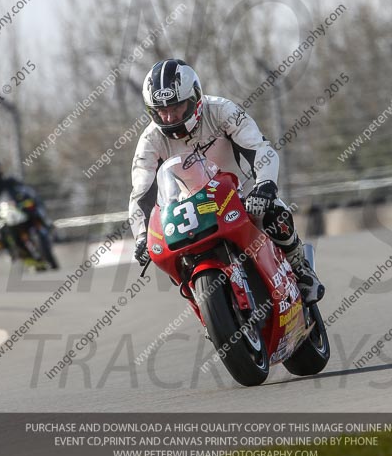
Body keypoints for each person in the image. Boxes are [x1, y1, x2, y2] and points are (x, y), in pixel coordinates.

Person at [128, 59, 324, 304]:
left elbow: (258, 147)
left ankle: (300, 268)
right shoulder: (150, 140)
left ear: (194, 99)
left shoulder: (221, 110)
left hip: (242, 193)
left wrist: (265, 185)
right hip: (189, 209)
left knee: (275, 214)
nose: (169, 117)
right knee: (171, 255)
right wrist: (141, 237)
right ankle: (207, 307)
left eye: (176, 107)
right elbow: (141, 191)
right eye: (161, 111)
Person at [0, 159, 55, 267]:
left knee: (34, 210)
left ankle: (46, 224)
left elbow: (25, 191)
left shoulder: (10, 181)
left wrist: (25, 200)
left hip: (17, 209)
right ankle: (2, 244)